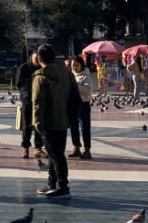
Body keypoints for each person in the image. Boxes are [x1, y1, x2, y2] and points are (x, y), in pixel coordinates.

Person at [31, 43, 71, 198]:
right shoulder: (66, 73)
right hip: (63, 118)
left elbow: (38, 103)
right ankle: (51, 182)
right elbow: (74, 96)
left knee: (56, 155)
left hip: (48, 122)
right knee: (56, 153)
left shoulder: (40, 77)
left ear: (39, 58)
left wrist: (38, 124)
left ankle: (63, 186)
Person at [14, 53, 44, 159]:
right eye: (35, 59)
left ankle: (38, 148)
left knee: (38, 124)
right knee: (27, 125)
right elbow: (18, 83)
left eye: (38, 59)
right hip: (27, 99)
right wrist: (26, 93)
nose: (37, 61)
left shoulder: (42, 68)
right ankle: (25, 148)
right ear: (31, 58)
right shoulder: (23, 68)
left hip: (39, 100)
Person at [69, 57, 93, 160]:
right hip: (73, 103)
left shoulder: (85, 75)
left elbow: (88, 90)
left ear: (81, 65)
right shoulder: (70, 75)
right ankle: (76, 147)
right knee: (73, 126)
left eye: (76, 65)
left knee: (85, 127)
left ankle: (87, 149)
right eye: (73, 65)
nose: (74, 67)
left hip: (83, 103)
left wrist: (77, 86)